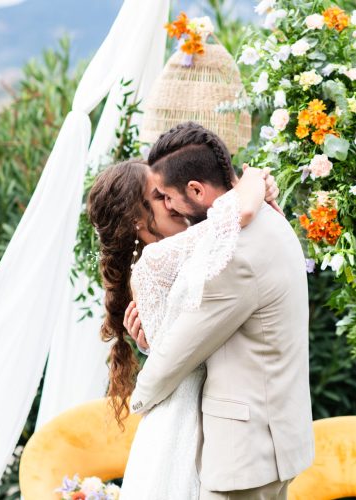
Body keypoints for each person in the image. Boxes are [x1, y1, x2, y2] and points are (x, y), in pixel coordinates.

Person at [125, 122, 315, 499]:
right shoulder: (269, 217)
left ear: (195, 189)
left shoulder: (233, 255)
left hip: (245, 456)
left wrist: (140, 398)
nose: (167, 207)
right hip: (276, 441)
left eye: (166, 196)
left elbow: (183, 349)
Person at [87, 142, 281, 498]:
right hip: (186, 420)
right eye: (159, 196)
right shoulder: (157, 265)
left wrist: (258, 183)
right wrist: (253, 182)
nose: (171, 199)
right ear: (136, 220)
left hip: (208, 418)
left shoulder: (191, 247)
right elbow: (241, 212)